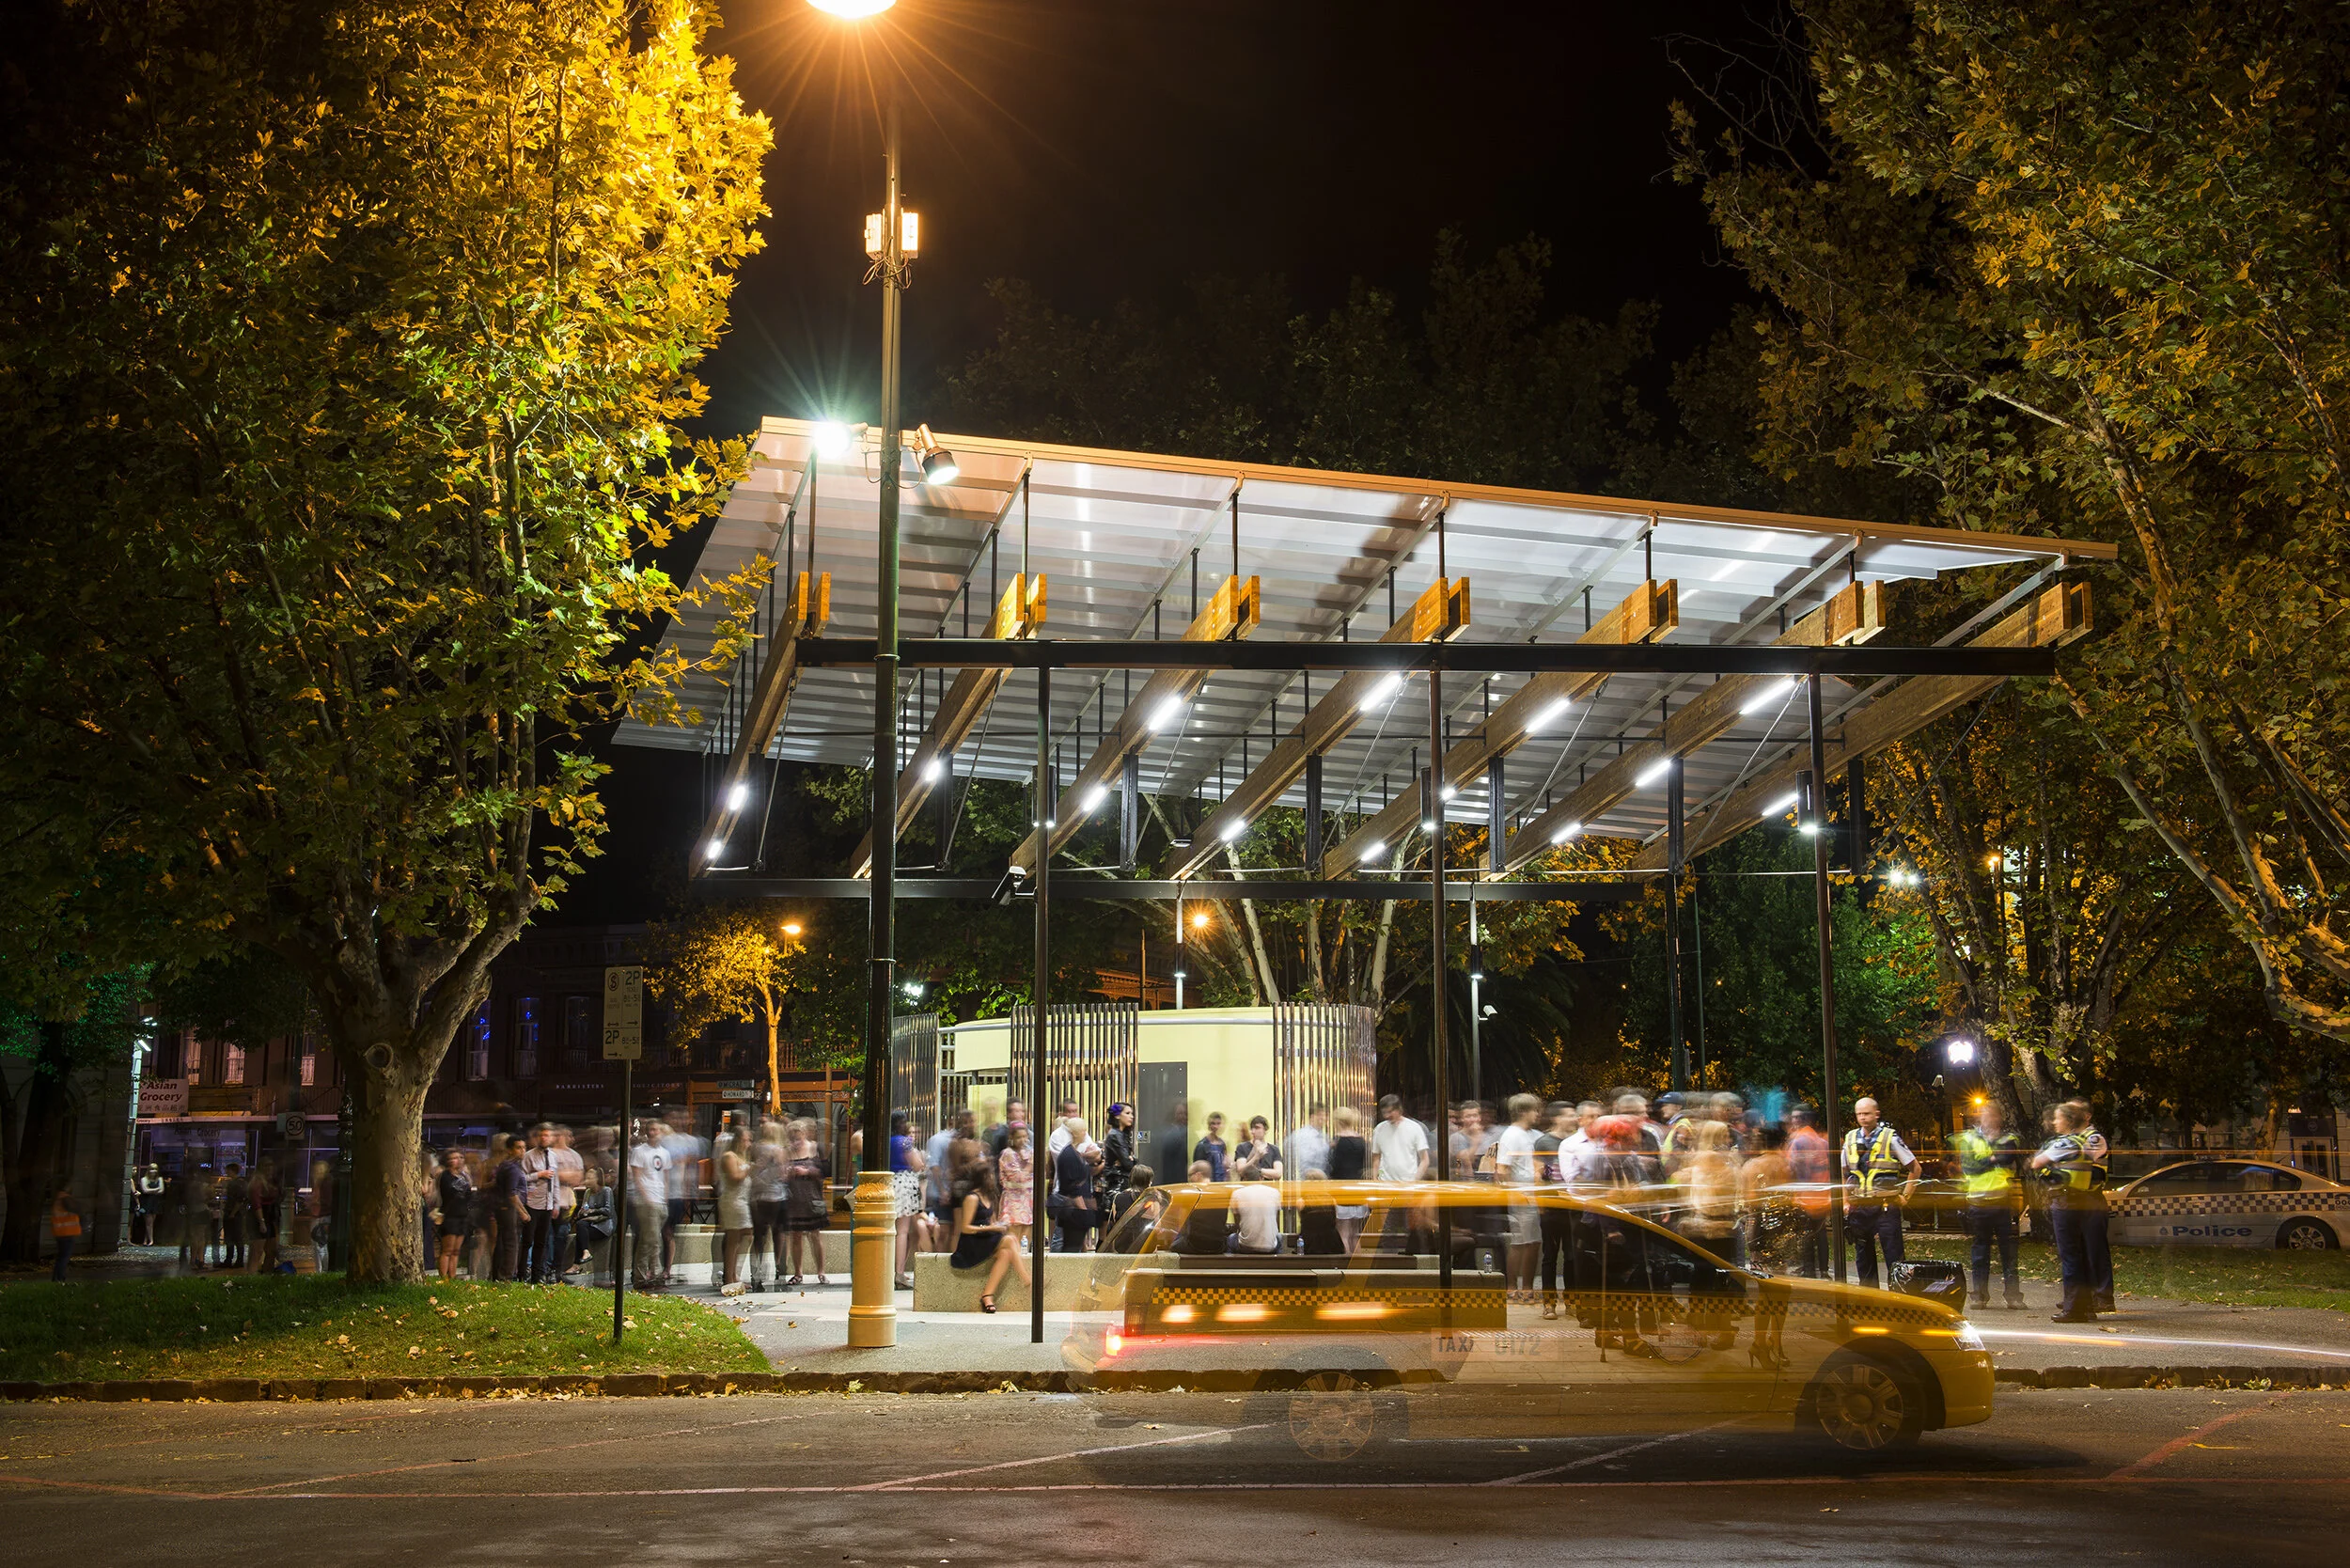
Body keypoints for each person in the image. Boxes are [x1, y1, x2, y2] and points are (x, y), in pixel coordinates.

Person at [2032, 1099, 2111, 1323]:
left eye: (2060, 1116)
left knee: (2080, 1254)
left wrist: (2056, 1157)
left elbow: (2037, 1162)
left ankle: (2083, 1304)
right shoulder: (2077, 1139)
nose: (2055, 1121)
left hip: (2077, 1199)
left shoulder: (2081, 1139)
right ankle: (2084, 1304)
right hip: (2079, 1199)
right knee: (2083, 1254)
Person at [1956, 1102, 2028, 1311]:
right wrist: (1993, 1158)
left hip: (2002, 1202)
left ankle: (2013, 1296)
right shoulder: (1969, 1139)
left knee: (2009, 1253)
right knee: (1980, 1253)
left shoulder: (2008, 1139)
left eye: (1992, 1115)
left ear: (1999, 1117)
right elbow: (1970, 1166)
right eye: (1985, 1114)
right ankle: (1979, 1296)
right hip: (1978, 1202)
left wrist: (1986, 1160)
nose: (1988, 1118)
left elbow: (2008, 1158)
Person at [1841, 1097, 1918, 1289]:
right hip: (1859, 1206)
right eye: (1859, 1114)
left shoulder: (1890, 1137)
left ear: (1877, 1114)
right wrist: (1845, 1202)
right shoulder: (1850, 1138)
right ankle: (1870, 1302)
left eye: (1866, 1113)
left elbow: (1915, 1168)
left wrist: (1906, 1196)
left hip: (1885, 1205)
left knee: (1895, 1257)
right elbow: (1843, 1174)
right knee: (1863, 1257)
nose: (1863, 1118)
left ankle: (1900, 1300)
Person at [947, 1152, 1031, 1313]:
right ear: (983, 1178)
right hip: (971, 1244)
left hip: (986, 1239)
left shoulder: (989, 1197)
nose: (993, 1179)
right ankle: (1027, 1280)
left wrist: (999, 1225)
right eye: (990, 1176)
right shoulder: (972, 1198)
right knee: (1011, 1239)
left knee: (1006, 1253)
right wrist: (992, 1228)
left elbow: (990, 1222)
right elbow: (965, 1228)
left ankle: (987, 1296)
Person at [1494, 1093, 1543, 1299]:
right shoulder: (1512, 1135)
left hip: (1535, 1195)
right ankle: (1514, 1286)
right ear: (1523, 1112)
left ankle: (1527, 1286)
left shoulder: (1535, 1135)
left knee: (1533, 1243)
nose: (1538, 1114)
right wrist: (1515, 1193)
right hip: (1522, 1196)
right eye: (1534, 1110)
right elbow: (1503, 1168)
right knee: (1522, 1242)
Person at [519, 1124, 570, 1285]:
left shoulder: (553, 1156)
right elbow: (521, 1178)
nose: (544, 1138)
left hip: (547, 1204)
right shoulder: (529, 1156)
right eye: (541, 1135)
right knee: (527, 1241)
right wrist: (538, 1175)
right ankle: (521, 1274)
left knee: (543, 1241)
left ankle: (537, 1275)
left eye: (547, 1135)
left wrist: (556, 1203)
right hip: (532, 1202)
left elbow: (555, 1181)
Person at [1784, 1106, 1831, 1278]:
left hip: (1805, 1196)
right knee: (1821, 1234)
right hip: (1822, 1196)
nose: (1793, 1121)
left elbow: (1790, 1169)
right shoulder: (1823, 1142)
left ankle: (1809, 1270)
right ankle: (1824, 1271)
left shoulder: (1797, 1142)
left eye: (1796, 1118)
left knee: (1806, 1235)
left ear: (1801, 1120)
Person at [712, 1113, 755, 1291]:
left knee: (745, 1235)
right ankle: (729, 1277)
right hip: (732, 1201)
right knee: (733, 1239)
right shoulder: (729, 1156)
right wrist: (750, 1169)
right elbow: (735, 1177)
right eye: (746, 1140)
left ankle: (734, 1274)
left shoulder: (742, 1158)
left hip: (742, 1201)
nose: (748, 1143)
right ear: (738, 1140)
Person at [626, 1122, 668, 1288]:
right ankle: (651, 1275)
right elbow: (637, 1177)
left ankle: (644, 1276)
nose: (655, 1133)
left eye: (657, 1130)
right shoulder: (639, 1151)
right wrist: (647, 1197)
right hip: (646, 1201)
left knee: (648, 1240)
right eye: (651, 1130)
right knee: (653, 1240)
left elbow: (665, 1176)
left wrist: (664, 1198)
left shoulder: (664, 1153)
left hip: (660, 1200)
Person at [1053, 1115, 1101, 1255]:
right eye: (1082, 1131)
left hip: (1076, 1208)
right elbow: (1072, 1188)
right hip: (1072, 1209)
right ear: (1074, 1133)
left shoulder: (1075, 1154)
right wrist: (1083, 1209)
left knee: (1074, 1245)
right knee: (1069, 1247)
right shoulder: (1069, 1155)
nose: (1085, 1134)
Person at [1327, 1105, 1371, 1253]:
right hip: (1358, 1189)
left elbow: (1335, 1167)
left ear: (1338, 1121)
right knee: (1354, 1233)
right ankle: (1358, 1266)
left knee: (1343, 1232)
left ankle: (1346, 1264)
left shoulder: (1338, 1142)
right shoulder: (1361, 1141)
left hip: (1342, 1190)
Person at [888, 1110, 924, 1290]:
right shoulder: (904, 1142)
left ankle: (888, 1270)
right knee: (902, 1231)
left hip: (889, 1183)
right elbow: (918, 1165)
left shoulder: (886, 1141)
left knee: (890, 1230)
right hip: (904, 1183)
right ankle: (899, 1273)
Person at [996, 1121, 1036, 1257]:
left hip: (1028, 1198)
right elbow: (1017, 1177)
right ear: (1012, 1138)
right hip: (1013, 1201)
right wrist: (1030, 1165)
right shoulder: (1007, 1154)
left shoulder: (1029, 1152)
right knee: (1014, 1236)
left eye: (1025, 1137)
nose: (1023, 1140)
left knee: (1027, 1236)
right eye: (1019, 1137)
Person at [1371, 1094, 1430, 1183]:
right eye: (1384, 1112)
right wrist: (1375, 1179)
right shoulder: (1379, 1129)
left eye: (1390, 1111)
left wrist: (1414, 1180)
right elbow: (1376, 1157)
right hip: (1385, 1184)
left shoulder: (1414, 1127)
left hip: (1408, 1185)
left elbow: (1425, 1160)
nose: (1387, 1115)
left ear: (1399, 1109)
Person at [435, 1149, 474, 1279]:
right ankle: (443, 1278)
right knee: (447, 1250)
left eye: (459, 1157)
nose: (457, 1160)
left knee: (456, 1251)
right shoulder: (445, 1176)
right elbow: (452, 1191)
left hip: (463, 1216)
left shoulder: (463, 1176)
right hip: (450, 1216)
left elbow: (469, 1193)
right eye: (453, 1158)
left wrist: (467, 1176)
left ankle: (452, 1277)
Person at [573, 1165, 615, 1282]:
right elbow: (583, 1209)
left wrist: (592, 1211)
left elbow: (608, 1211)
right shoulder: (587, 1192)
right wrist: (582, 1212)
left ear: (597, 1179)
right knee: (581, 1228)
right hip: (590, 1223)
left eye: (589, 1178)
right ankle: (585, 1253)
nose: (587, 1181)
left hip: (603, 1225)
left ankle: (577, 1263)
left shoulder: (606, 1191)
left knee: (581, 1232)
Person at [1230, 1167, 1280, 1253]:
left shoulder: (1237, 1193)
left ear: (1244, 1179)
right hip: (1270, 1247)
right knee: (1279, 1237)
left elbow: (1237, 1224)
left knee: (1230, 1238)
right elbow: (1277, 1220)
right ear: (1261, 1178)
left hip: (1245, 1246)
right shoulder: (1275, 1192)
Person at [1100, 1103, 1137, 1200]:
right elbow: (1128, 1163)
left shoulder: (1121, 1134)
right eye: (1127, 1113)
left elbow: (1128, 1161)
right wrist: (1131, 1159)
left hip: (1121, 1181)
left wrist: (1131, 1159)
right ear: (1117, 1115)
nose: (1131, 1117)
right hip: (1117, 1183)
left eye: (1132, 1113)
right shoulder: (1115, 1135)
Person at [217, 1160, 250, 1271]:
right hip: (237, 1214)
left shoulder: (235, 1183)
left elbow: (239, 1200)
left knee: (233, 1237)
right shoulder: (242, 1183)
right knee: (235, 1237)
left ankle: (233, 1260)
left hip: (234, 1214)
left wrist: (232, 1213)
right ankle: (235, 1260)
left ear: (231, 1171)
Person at [1283, 1105, 1331, 1181]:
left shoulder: (1325, 1137)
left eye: (1325, 1115)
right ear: (1312, 1117)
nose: (1324, 1118)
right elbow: (1303, 1161)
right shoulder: (1302, 1135)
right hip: (1307, 1180)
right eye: (1320, 1115)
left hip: (1322, 1180)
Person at [47, 1184, 83, 1281]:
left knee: (61, 1257)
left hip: (60, 1232)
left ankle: (57, 1277)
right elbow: (77, 1209)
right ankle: (59, 1278)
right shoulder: (65, 1199)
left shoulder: (57, 1200)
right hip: (67, 1232)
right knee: (64, 1257)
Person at [1230, 1116, 1281, 1182]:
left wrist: (1258, 1171)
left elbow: (1278, 1173)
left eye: (1257, 1128)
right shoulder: (1242, 1147)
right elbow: (1241, 1171)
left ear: (1265, 1130)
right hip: (1248, 1187)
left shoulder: (1274, 1149)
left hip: (1267, 1187)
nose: (1253, 1131)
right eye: (1252, 1128)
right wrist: (1256, 1157)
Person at [1191, 1112, 1230, 1183]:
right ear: (1209, 1125)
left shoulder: (1222, 1144)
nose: (1216, 1127)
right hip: (1208, 1185)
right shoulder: (1202, 1145)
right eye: (1213, 1123)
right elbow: (1197, 1169)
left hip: (1222, 1184)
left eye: (1218, 1123)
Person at [133, 1164, 164, 1247]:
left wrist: (151, 1190)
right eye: (152, 1169)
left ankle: (145, 1240)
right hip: (147, 1202)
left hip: (155, 1203)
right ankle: (151, 1240)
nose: (154, 1171)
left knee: (151, 1222)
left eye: (155, 1169)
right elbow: (145, 1190)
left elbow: (161, 1190)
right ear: (148, 1170)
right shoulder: (144, 1179)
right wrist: (156, 1190)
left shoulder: (159, 1179)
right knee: (148, 1222)